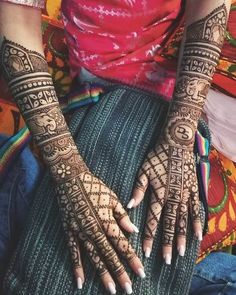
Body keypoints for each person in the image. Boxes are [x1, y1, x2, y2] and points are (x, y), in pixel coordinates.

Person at [0, 0, 234, 294]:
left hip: (180, 85)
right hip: (95, 90)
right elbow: (17, 24)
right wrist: (70, 175)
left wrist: (179, 135)